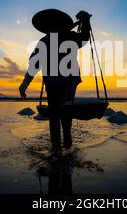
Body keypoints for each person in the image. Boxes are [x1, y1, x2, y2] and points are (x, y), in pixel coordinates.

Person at [19, 9, 92, 153]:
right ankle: (67, 143)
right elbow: (84, 37)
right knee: (66, 112)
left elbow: (34, 66)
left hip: (54, 83)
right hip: (70, 81)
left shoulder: (44, 41)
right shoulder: (69, 36)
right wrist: (85, 21)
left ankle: (56, 150)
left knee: (55, 115)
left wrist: (24, 85)